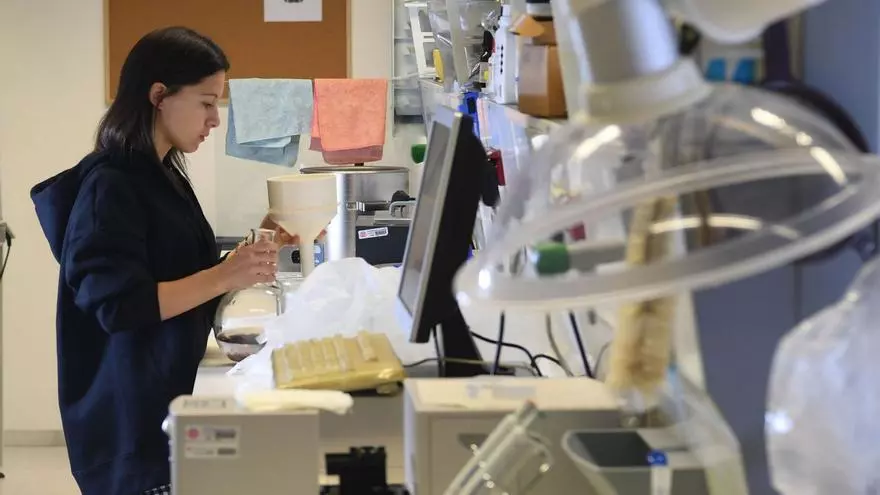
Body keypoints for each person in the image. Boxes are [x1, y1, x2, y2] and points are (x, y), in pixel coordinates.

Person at [31, 27, 279, 495]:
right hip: (132, 432)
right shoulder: (112, 185)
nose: (215, 120)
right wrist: (225, 274)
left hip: (158, 404)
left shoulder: (160, 174)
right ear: (159, 95)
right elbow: (121, 306)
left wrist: (258, 246)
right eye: (207, 103)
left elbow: (185, 274)